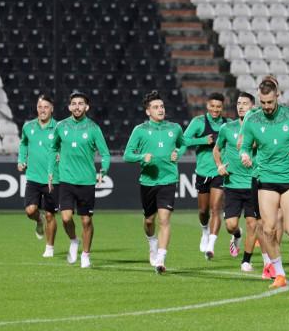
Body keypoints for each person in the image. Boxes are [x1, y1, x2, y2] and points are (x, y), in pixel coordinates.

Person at [240, 78, 289, 288]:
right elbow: (244, 145)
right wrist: (245, 155)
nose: (267, 107)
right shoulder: (253, 120)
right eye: (263, 102)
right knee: (268, 229)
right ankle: (279, 274)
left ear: (277, 96)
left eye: (270, 102)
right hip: (266, 178)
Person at [123, 91, 184, 274]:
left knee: (164, 219)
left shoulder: (175, 128)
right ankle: (152, 243)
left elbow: (183, 143)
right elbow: (127, 155)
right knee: (149, 221)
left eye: (162, 106)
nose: (160, 109)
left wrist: (178, 153)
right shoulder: (140, 130)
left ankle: (161, 259)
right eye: (156, 107)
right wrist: (142, 157)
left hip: (169, 179)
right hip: (148, 182)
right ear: (148, 111)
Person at [48, 91, 110, 268]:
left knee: (86, 221)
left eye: (80, 103)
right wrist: (51, 171)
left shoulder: (93, 128)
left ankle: (85, 255)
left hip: (87, 181)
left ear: (86, 107)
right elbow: (53, 149)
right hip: (66, 180)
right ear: (69, 107)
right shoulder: (61, 126)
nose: (77, 107)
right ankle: (74, 240)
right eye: (74, 103)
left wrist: (103, 171)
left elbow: (105, 153)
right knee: (66, 218)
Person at [213, 91, 260, 271]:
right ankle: (237, 235)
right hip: (232, 183)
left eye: (245, 103)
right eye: (239, 103)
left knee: (252, 224)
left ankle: (246, 261)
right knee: (231, 225)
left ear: (253, 107)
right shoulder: (227, 128)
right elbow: (216, 149)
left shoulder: (260, 128)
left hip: (253, 183)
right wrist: (219, 165)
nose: (240, 106)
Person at [178, 93, 228, 259]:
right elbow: (183, 140)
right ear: (207, 106)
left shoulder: (227, 124)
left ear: (222, 107)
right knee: (203, 211)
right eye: (212, 106)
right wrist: (202, 141)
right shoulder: (198, 122)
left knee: (216, 209)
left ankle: (211, 246)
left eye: (218, 107)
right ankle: (205, 231)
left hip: (219, 171)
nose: (215, 109)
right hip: (202, 172)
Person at [17, 94, 59, 258]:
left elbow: (66, 146)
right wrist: (21, 160)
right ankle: (38, 220)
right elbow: (23, 144)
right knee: (30, 211)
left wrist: (62, 154)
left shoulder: (59, 127)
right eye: (40, 107)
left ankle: (49, 248)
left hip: (52, 178)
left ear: (52, 109)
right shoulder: (28, 127)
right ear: (37, 108)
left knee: (50, 214)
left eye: (46, 107)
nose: (43, 110)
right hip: (33, 177)